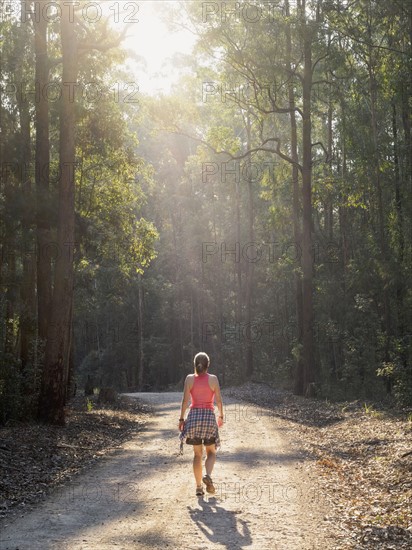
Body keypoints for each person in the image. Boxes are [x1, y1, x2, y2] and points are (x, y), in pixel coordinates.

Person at [178, 352, 224, 496]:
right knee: (211, 452)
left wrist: (181, 419)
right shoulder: (213, 379)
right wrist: (221, 415)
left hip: (194, 418)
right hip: (209, 418)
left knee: (197, 455)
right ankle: (208, 476)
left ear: (195, 364)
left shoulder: (189, 379)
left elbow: (185, 401)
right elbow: (219, 401)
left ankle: (198, 487)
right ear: (207, 365)